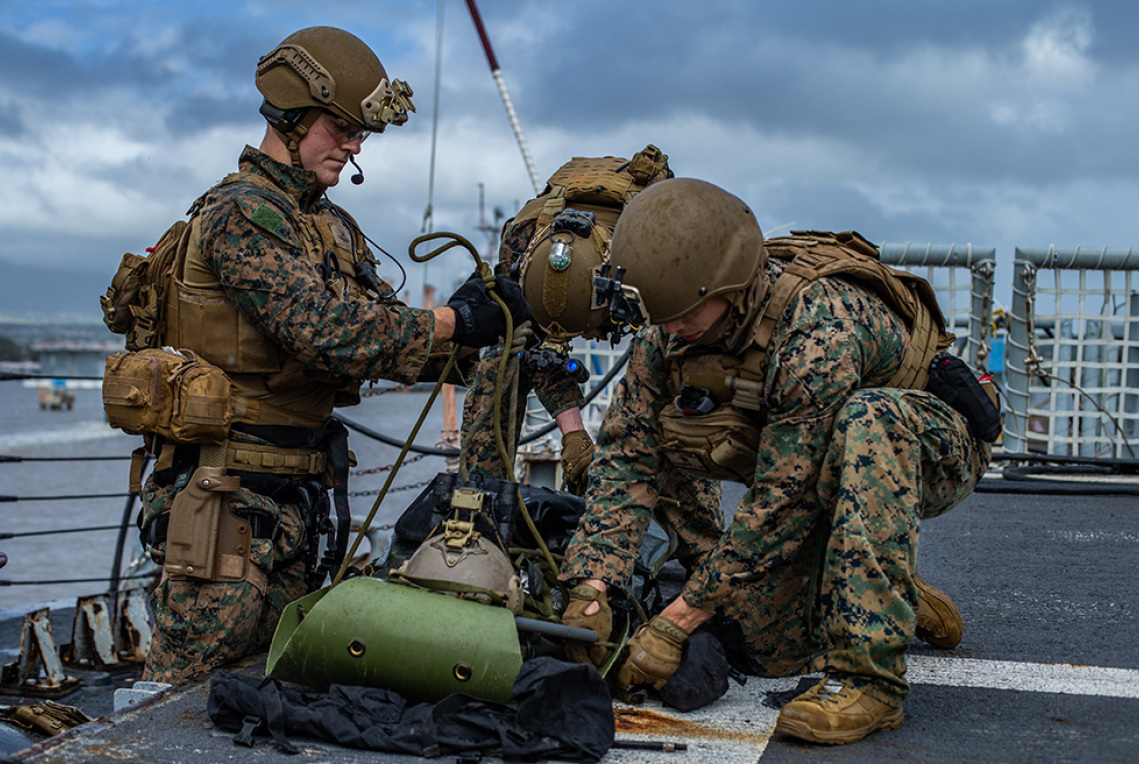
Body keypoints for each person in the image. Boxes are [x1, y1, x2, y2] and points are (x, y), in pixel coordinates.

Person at [130, 27, 530, 684]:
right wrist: (451, 320)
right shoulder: (243, 214)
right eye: (341, 127)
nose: (354, 146)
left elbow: (383, 333)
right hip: (226, 506)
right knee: (183, 702)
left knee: (274, 690)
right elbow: (322, 330)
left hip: (295, 501)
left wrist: (494, 334)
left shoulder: (332, 226)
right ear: (292, 115)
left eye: (359, 133)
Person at [559, 178, 993, 744]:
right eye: (658, 317)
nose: (669, 329)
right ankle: (878, 579)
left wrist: (676, 621)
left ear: (729, 283)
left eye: (681, 312)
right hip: (818, 470)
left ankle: (872, 681)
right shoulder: (666, 336)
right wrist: (594, 586)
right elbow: (626, 459)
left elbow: (781, 505)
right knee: (770, 652)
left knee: (869, 418)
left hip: (928, 447)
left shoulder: (816, 329)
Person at [459, 146, 673, 494]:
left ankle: (684, 528)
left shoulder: (653, 253)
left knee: (672, 384)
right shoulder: (522, 243)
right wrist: (574, 434)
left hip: (656, 284)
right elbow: (532, 343)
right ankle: (480, 501)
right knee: (500, 360)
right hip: (537, 257)